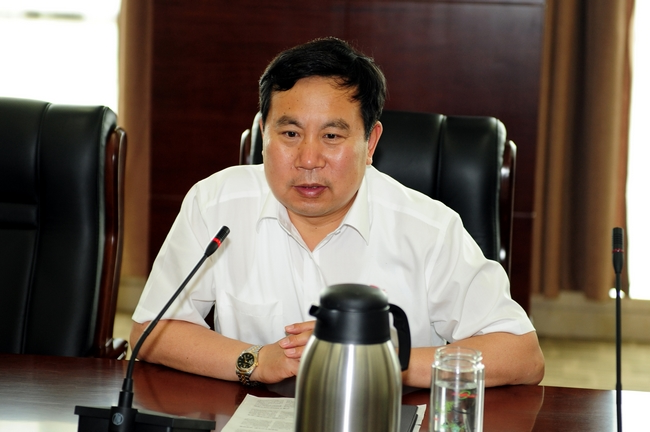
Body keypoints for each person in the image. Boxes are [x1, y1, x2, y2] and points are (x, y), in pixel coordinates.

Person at [131, 37, 544, 389]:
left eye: (331, 135)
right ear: (263, 133)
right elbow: (149, 332)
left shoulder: (429, 229)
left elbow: (522, 355)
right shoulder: (215, 204)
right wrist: (256, 360)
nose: (308, 159)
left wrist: (381, 361)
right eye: (290, 133)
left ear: (370, 142)